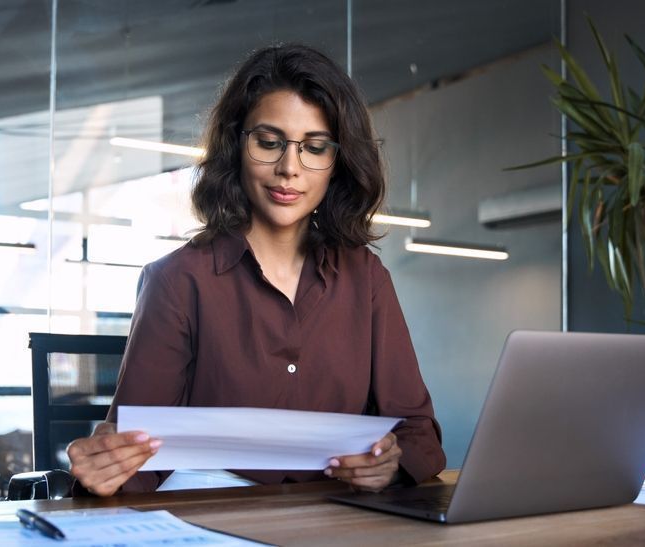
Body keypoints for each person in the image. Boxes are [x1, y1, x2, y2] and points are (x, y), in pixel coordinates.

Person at [67, 43, 446, 497]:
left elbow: (419, 433)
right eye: (268, 142)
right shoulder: (177, 280)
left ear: (336, 164)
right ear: (236, 146)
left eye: (315, 147)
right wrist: (104, 468)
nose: (289, 168)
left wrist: (391, 464)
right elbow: (134, 456)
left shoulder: (366, 280)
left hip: (337, 517)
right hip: (212, 510)